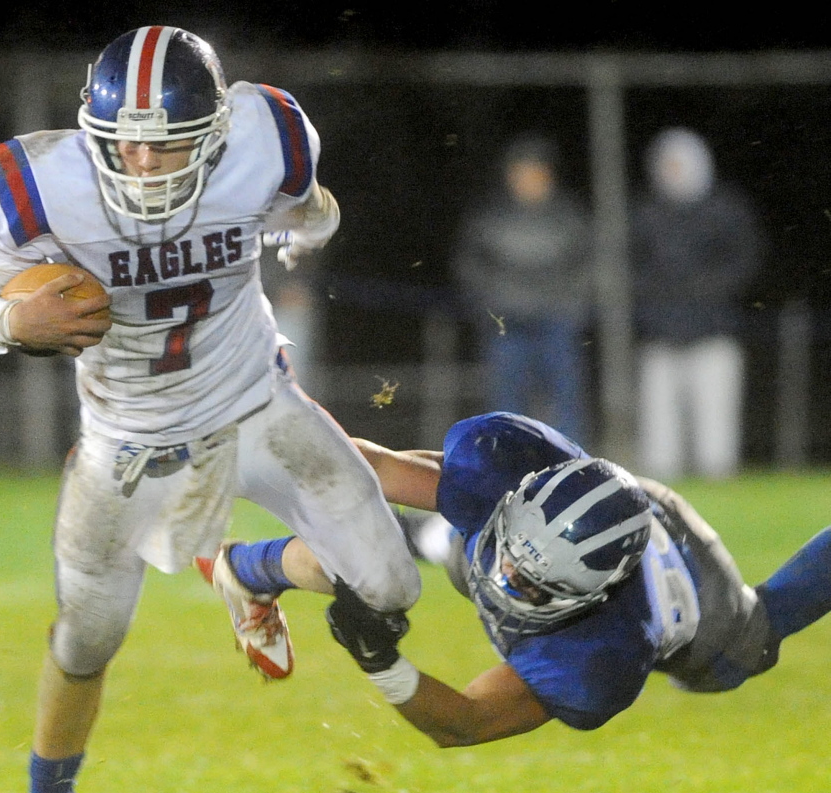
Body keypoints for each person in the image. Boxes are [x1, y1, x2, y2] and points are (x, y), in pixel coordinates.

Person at [0, 25, 420, 793]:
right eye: (127, 144)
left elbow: (309, 210)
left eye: (169, 142)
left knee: (392, 588)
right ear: (93, 135)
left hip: (254, 407)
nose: (146, 164)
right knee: (85, 640)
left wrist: (303, 233)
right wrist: (11, 315)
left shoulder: (268, 139)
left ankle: (249, 571)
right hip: (127, 441)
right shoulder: (40, 186)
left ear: (218, 132)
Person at [199, 411, 831, 747]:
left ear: (590, 598)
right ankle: (245, 569)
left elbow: (465, 723)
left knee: (747, 648)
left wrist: (378, 658)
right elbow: (364, 469)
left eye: (532, 587)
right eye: (507, 561)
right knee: (379, 546)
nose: (504, 584)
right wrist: (259, 435)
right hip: (580, 511)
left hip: (691, 592)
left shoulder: (599, 655)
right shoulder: (499, 477)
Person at [631, 127, 765, 479]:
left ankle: (718, 478)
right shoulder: (647, 214)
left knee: (715, 418)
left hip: (713, 330)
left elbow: (744, 260)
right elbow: (633, 267)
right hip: (660, 332)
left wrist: (706, 289)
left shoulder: (726, 209)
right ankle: (660, 486)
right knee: (659, 422)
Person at [451, 135, 593, 444]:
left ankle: (573, 469)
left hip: (556, 321)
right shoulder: (491, 216)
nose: (528, 181)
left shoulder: (568, 216)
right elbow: (470, 267)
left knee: (566, 401)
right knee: (505, 407)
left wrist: (570, 305)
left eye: (535, 173)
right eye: (521, 173)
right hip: (508, 324)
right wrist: (492, 305)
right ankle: (506, 465)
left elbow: (587, 266)